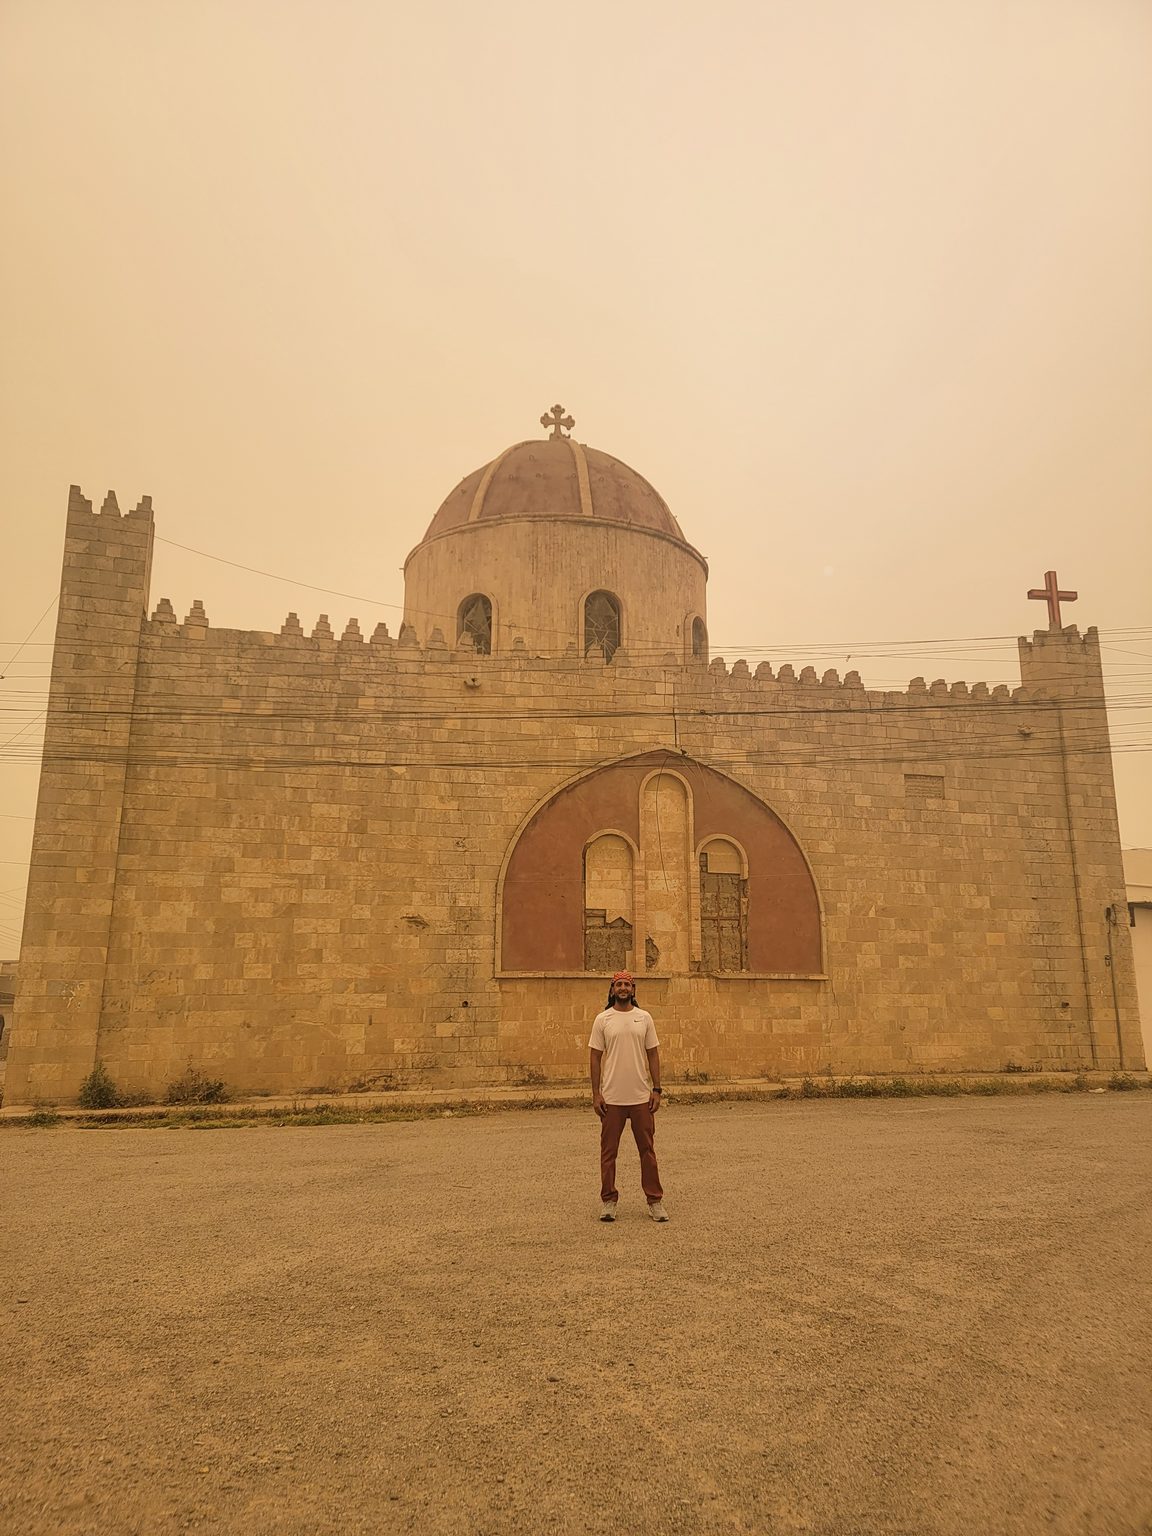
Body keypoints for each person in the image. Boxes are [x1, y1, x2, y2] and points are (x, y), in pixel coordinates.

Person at [588, 971, 668, 1222]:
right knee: (609, 1152)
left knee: (648, 1151)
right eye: (619, 984)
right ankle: (609, 1200)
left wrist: (656, 1089)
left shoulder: (644, 1018)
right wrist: (596, 1093)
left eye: (627, 985)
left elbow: (653, 1054)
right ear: (612, 990)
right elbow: (595, 1057)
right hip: (612, 1099)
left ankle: (654, 1201)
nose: (623, 988)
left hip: (641, 1097)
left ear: (633, 990)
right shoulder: (603, 1019)